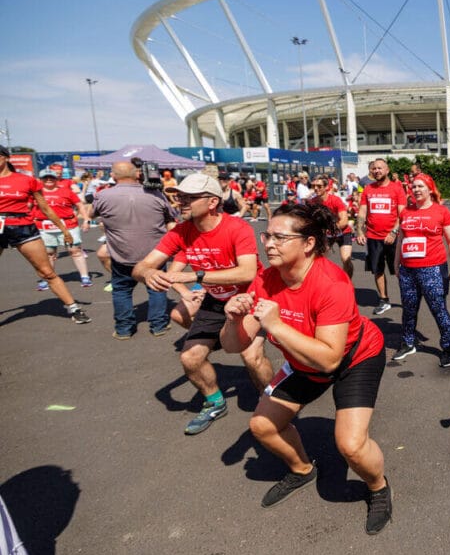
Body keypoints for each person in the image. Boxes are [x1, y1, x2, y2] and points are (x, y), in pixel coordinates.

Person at [219, 203, 391, 534]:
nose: (269, 244)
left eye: (280, 237)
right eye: (267, 235)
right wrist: (233, 319)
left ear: (309, 243)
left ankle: (378, 487)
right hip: (304, 362)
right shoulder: (266, 279)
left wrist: (276, 325)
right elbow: (232, 345)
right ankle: (301, 470)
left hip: (356, 359)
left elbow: (329, 360)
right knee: (262, 426)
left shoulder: (332, 283)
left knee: (351, 446)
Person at [134, 173, 273, 435]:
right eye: (179, 197)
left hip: (250, 297)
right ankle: (215, 402)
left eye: (189, 198)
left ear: (212, 202)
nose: (181, 202)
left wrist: (193, 277)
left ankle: (272, 400)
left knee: (251, 356)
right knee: (190, 358)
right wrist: (148, 273)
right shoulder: (181, 231)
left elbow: (247, 273)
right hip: (216, 300)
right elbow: (142, 266)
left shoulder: (237, 228)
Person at [0, 146, 91, 324]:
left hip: (22, 227)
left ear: (6, 158)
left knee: (47, 272)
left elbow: (45, 208)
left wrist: (64, 230)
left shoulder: (26, 180)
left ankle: (74, 308)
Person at [91, 161, 177, 339]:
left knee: (122, 290)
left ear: (113, 176)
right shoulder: (156, 195)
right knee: (157, 288)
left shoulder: (103, 195)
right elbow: (171, 217)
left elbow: (92, 214)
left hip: (122, 253)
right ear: (138, 174)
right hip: (153, 253)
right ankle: (159, 325)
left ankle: (124, 329)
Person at [392, 174, 450, 367]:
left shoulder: (441, 211)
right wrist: (396, 263)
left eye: (420, 186)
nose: (416, 190)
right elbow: (401, 239)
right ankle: (408, 343)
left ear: (430, 189)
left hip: (433, 269)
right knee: (408, 309)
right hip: (407, 270)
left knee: (438, 309)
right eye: (413, 187)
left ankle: (447, 348)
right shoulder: (406, 212)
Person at [356, 159, 406, 315]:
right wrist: (359, 231)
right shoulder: (368, 189)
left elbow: (402, 214)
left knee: (399, 271)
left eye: (380, 168)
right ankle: (384, 300)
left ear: (387, 170)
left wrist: (393, 232)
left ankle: (407, 299)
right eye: (374, 168)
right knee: (377, 270)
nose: (376, 171)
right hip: (373, 237)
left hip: (393, 237)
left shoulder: (397, 189)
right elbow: (362, 211)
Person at [32, 169, 93, 289]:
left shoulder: (66, 191)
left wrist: (86, 219)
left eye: (51, 177)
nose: (48, 180)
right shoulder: (35, 193)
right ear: (40, 180)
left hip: (68, 224)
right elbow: (27, 207)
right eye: (45, 178)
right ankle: (47, 279)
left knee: (75, 250)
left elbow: (80, 205)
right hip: (44, 226)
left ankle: (85, 277)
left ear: (56, 179)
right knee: (49, 253)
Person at [307, 175, 352, 276]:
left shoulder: (335, 200)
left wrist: (330, 229)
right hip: (326, 234)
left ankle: (347, 281)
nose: (316, 188)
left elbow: (344, 221)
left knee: (346, 260)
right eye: (313, 186)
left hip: (343, 232)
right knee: (318, 258)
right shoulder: (312, 202)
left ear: (326, 187)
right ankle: (323, 280)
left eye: (319, 186)